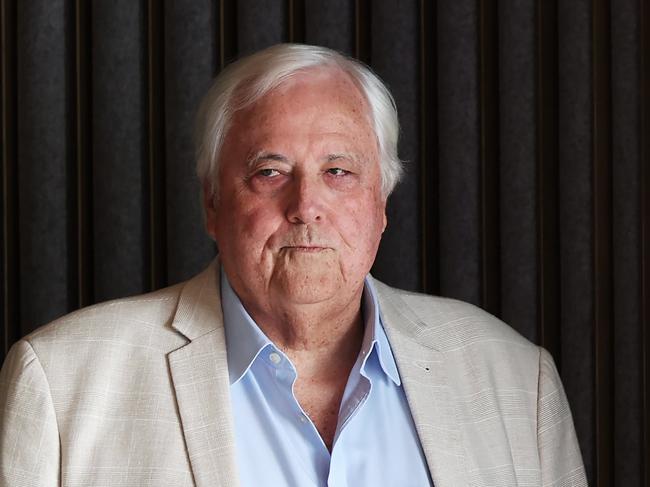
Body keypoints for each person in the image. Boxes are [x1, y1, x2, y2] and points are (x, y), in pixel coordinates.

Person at [0, 44, 586, 486]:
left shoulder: (516, 380)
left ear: (381, 202)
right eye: (270, 172)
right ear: (212, 202)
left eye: (339, 172)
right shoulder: (61, 384)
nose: (306, 206)